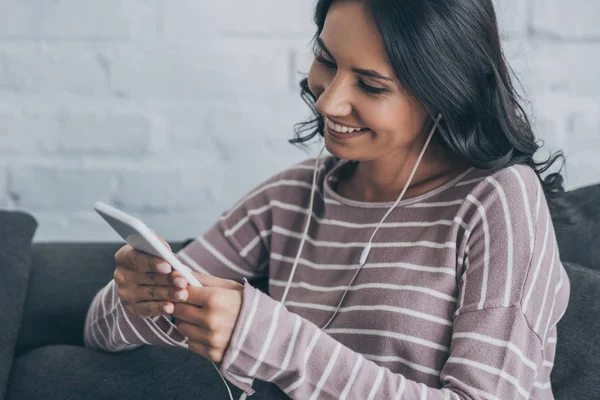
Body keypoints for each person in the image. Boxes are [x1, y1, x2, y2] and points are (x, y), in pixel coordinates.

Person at [84, 0, 571, 399]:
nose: (328, 101)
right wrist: (139, 295)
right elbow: (97, 332)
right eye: (327, 60)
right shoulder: (292, 197)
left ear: (444, 92)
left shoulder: (497, 201)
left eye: (371, 84)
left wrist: (270, 340)